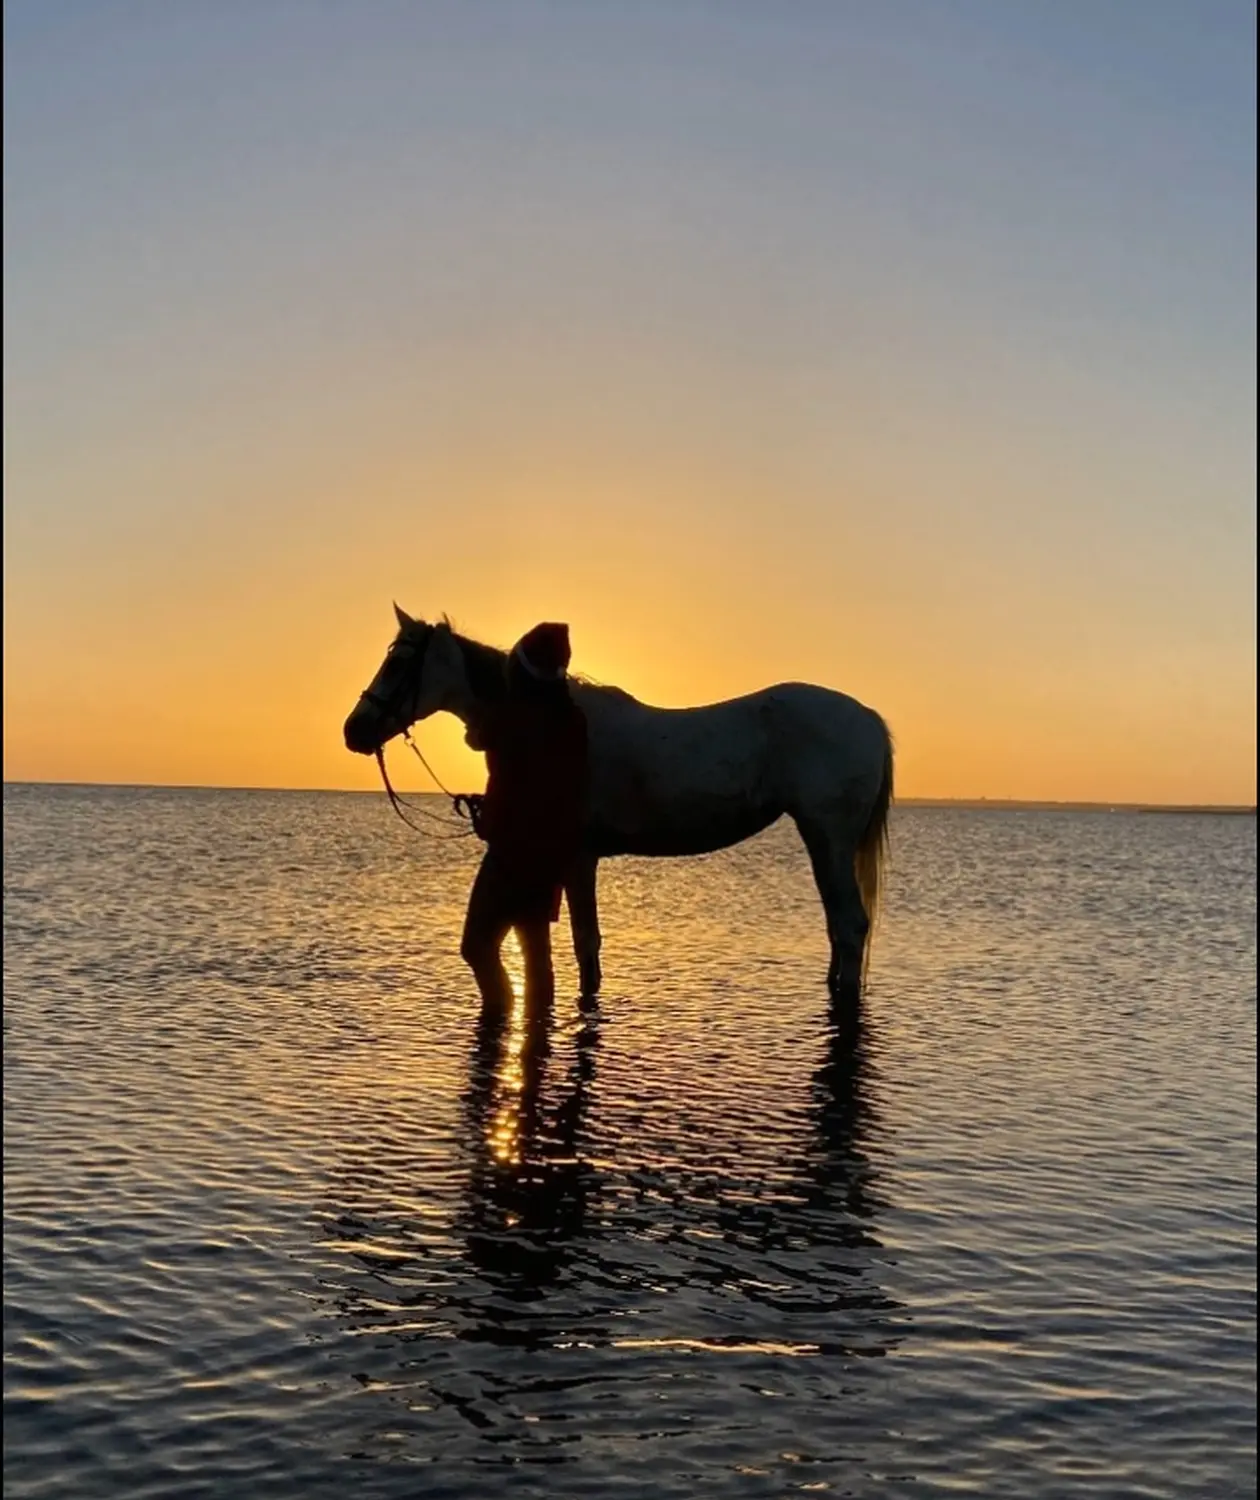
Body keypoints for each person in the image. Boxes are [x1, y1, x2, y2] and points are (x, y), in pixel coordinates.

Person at [459, 622, 589, 1013]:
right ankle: (536, 1044)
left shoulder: (514, 716)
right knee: (537, 961)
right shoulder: (573, 720)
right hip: (550, 861)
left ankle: (498, 1017)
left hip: (509, 857)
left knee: (476, 946)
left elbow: (478, 737)